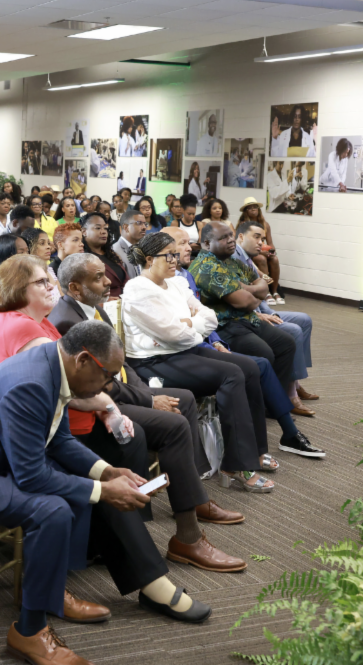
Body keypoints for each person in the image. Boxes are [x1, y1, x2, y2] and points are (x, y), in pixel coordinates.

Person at [0, 321, 212, 665]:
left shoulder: (52, 365)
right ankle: (28, 632)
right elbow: (31, 476)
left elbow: (60, 439)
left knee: (92, 487)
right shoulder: (31, 383)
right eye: (107, 376)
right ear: (83, 360)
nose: (109, 387)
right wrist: (101, 489)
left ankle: (56, 591)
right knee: (54, 509)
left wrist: (105, 472)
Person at [47, 252, 247, 563]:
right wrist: (150, 400)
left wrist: (145, 394)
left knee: (184, 399)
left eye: (105, 275)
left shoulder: (92, 308)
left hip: (119, 392)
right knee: (175, 425)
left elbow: (120, 363)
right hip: (95, 404)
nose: (107, 282)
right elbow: (96, 382)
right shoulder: (66, 320)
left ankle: (192, 497)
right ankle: (188, 536)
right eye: (97, 278)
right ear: (74, 288)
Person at [121, 231, 283, 490]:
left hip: (184, 349)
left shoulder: (175, 282)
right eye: (169, 255)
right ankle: (237, 464)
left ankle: (254, 451)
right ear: (149, 259)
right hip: (154, 362)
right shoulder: (137, 289)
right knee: (231, 375)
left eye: (176, 254)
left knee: (250, 367)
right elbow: (172, 332)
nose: (175, 260)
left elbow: (209, 318)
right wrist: (190, 325)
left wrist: (188, 324)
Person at [190, 223, 304, 405]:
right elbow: (247, 302)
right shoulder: (206, 267)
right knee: (264, 352)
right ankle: (258, 404)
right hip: (225, 326)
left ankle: (276, 402)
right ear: (206, 243)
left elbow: (263, 285)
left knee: (286, 343)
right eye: (223, 238)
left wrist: (246, 289)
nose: (230, 241)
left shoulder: (231, 261)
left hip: (246, 319)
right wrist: (254, 293)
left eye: (230, 235)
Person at [237, 198, 281, 302]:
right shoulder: (243, 225)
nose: (253, 209)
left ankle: (274, 291)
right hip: (250, 252)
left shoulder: (265, 224)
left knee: (275, 259)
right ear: (246, 211)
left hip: (263, 250)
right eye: (250, 208)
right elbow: (241, 245)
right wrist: (261, 251)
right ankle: (266, 293)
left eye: (255, 207)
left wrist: (272, 251)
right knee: (261, 258)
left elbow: (270, 243)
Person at [111, 209, 148, 282]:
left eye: (145, 224)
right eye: (139, 223)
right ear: (126, 227)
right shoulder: (115, 251)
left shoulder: (142, 248)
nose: (144, 227)